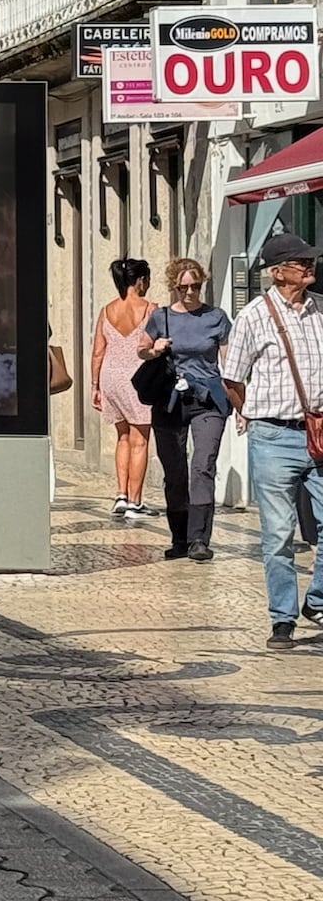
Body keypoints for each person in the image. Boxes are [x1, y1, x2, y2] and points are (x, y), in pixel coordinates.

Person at [220, 232, 323, 650]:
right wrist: (253, 413)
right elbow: (232, 377)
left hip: (317, 434)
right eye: (301, 262)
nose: (310, 266)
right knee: (279, 533)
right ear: (278, 272)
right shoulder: (253, 317)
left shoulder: (320, 311)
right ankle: (283, 619)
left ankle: (316, 601)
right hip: (273, 436)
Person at [137, 258, 230, 563]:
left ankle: (199, 540)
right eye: (183, 287)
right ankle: (179, 538)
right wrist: (157, 348)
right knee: (175, 471)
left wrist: (240, 403)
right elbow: (142, 349)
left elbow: (229, 364)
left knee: (202, 466)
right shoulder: (160, 317)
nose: (189, 292)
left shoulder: (216, 317)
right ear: (174, 286)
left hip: (208, 400)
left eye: (195, 286)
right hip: (170, 401)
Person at [92, 257, 158, 519]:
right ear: (141, 280)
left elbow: (98, 351)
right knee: (140, 439)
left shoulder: (107, 310)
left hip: (110, 377)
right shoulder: (151, 309)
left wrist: (95, 385)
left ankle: (120, 495)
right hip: (138, 378)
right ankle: (135, 501)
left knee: (122, 436)